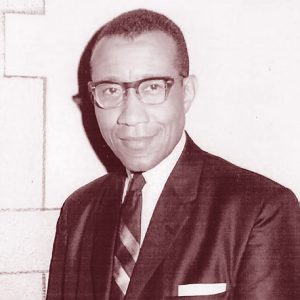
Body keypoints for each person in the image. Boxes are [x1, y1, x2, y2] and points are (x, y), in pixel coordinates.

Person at [46, 9, 300, 300]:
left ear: (187, 92)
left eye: (152, 87)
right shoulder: (78, 212)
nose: (130, 116)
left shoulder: (260, 209)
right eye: (111, 90)